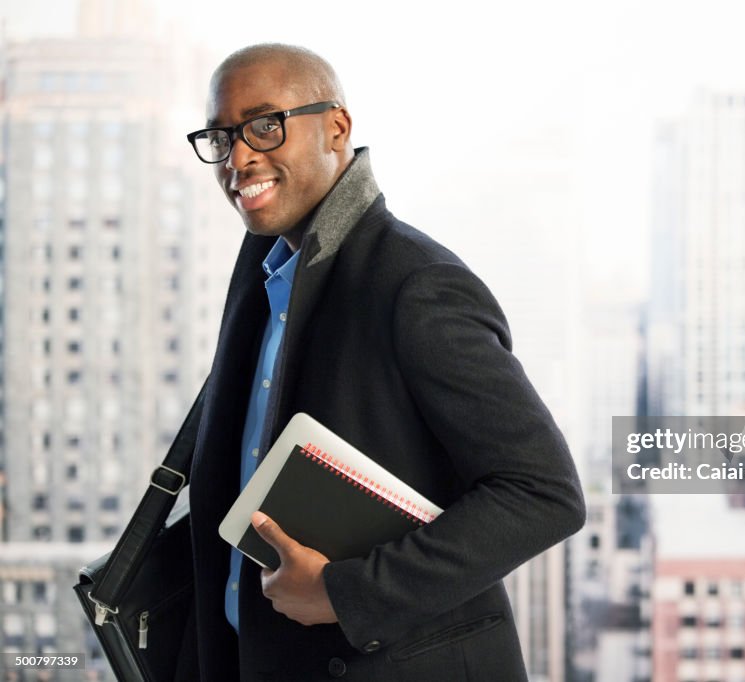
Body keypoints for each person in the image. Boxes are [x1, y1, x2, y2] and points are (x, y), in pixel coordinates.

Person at [183, 43, 586, 681]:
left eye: (265, 125)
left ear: (336, 127)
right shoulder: (263, 274)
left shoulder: (417, 286)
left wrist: (349, 592)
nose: (238, 158)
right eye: (221, 136)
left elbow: (544, 494)